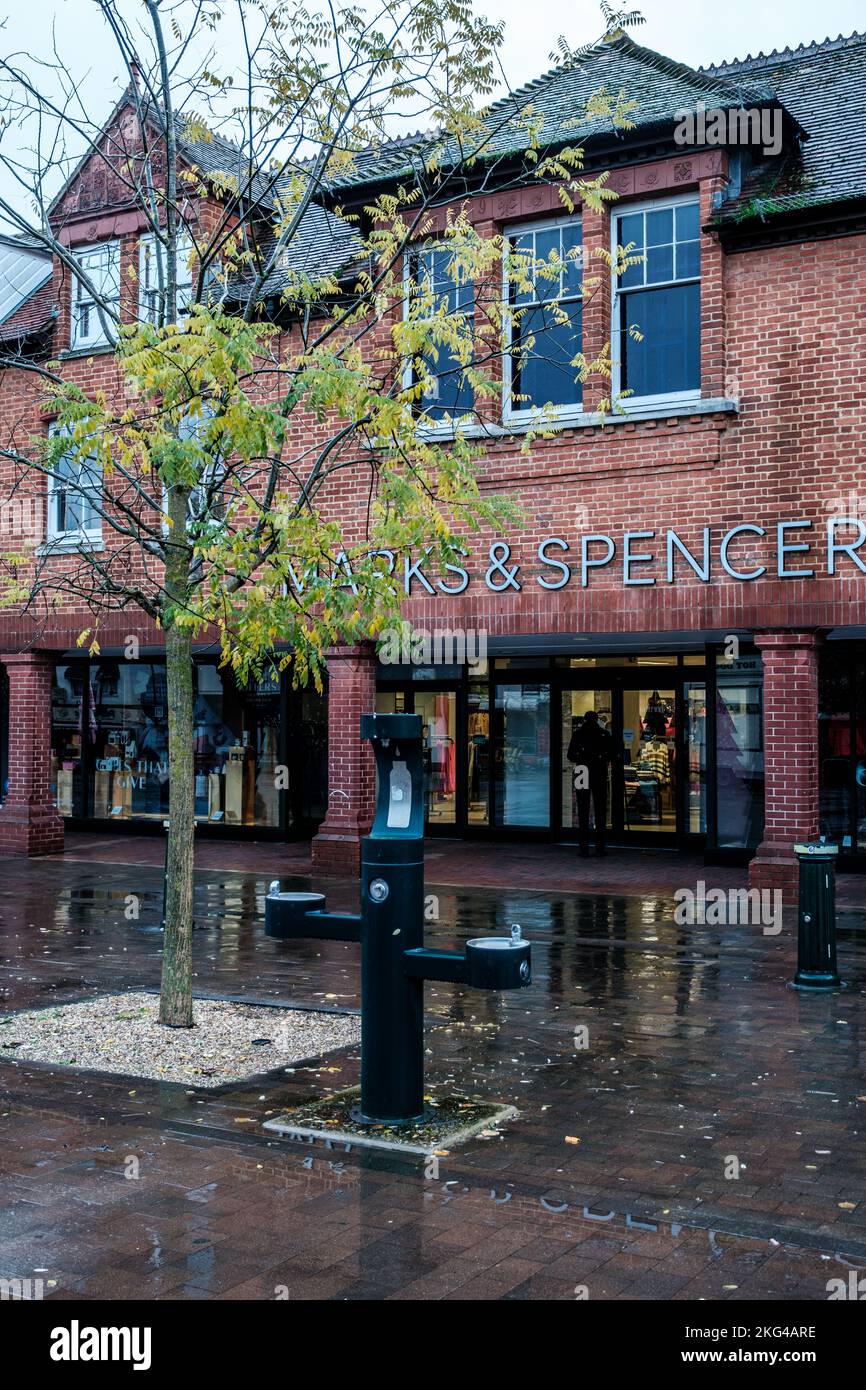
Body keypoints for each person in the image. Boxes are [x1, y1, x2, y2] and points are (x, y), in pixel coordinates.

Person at [567, 710, 614, 857]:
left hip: (582, 771)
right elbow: (611, 754)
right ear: (597, 719)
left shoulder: (578, 734)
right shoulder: (604, 734)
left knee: (583, 809)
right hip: (599, 772)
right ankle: (600, 848)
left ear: (584, 719)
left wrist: (583, 758)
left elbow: (570, 755)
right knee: (600, 810)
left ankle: (583, 848)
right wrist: (599, 759)